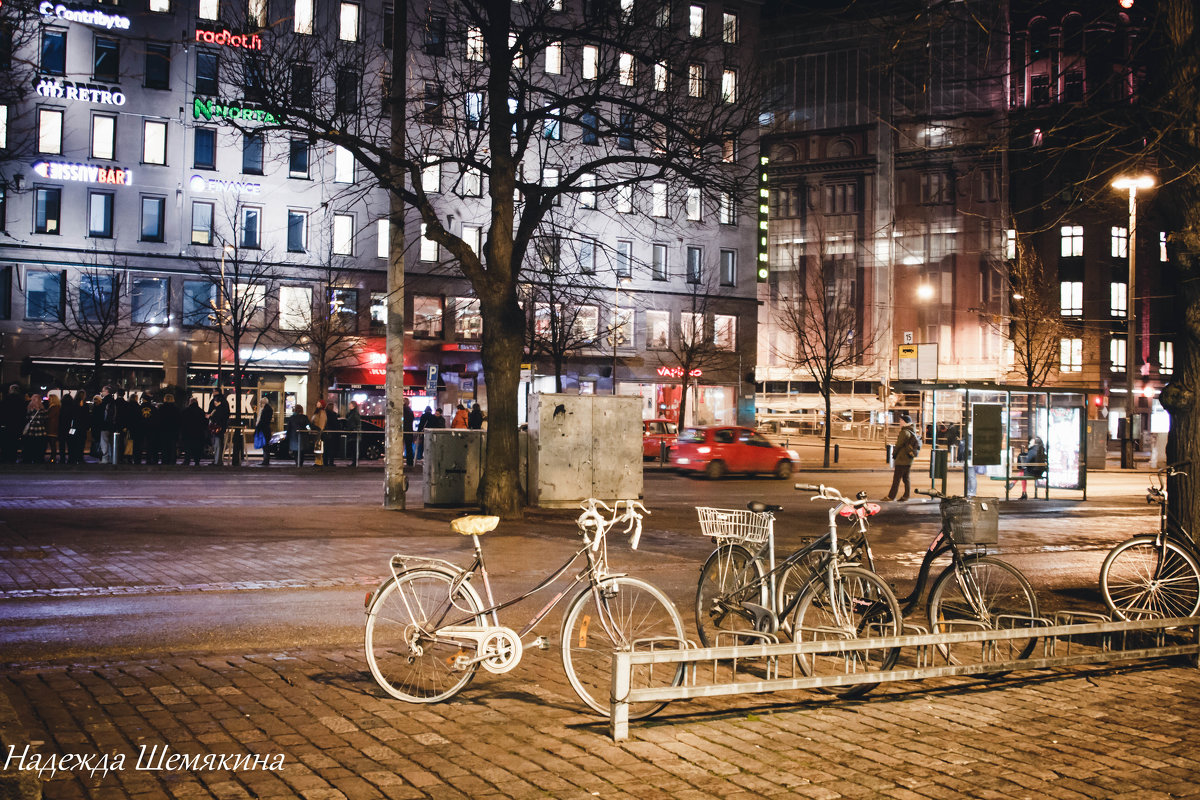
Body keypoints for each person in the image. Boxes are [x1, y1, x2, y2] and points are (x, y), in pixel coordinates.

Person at [883, 412, 920, 502]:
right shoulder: (911, 431)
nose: (900, 422)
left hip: (902, 459)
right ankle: (906, 496)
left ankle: (891, 497)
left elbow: (898, 445)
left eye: (901, 420)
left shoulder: (905, 432)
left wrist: (894, 454)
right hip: (908, 459)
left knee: (896, 479)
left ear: (904, 422)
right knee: (906, 478)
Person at [1011, 435, 1047, 500]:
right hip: (1040, 472)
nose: (1030, 443)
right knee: (1023, 472)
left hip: (1033, 473)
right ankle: (1015, 485)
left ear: (1034, 443)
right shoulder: (1042, 450)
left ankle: (1022, 491)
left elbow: (1026, 463)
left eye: (1031, 442)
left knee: (1022, 472)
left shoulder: (1032, 451)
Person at [181, 396, 208, 466]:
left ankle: (187, 461)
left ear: (190, 403)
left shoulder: (186, 411)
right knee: (197, 448)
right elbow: (205, 422)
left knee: (188, 448)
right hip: (198, 433)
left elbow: (182, 422)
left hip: (188, 433)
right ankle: (197, 461)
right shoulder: (201, 411)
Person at [157, 393, 181, 465]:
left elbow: (158, 419)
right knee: (172, 446)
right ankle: (172, 460)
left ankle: (164, 460)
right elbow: (179, 420)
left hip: (163, 430)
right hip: (173, 430)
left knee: (164, 446)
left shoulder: (161, 408)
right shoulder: (176, 408)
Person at [22, 395, 47, 464]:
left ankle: (28, 459)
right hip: (40, 430)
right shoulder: (42, 409)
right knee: (39, 447)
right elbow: (44, 419)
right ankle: (38, 459)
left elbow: (27, 418)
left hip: (31, 430)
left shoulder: (29, 408)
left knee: (30, 446)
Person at [208, 393, 230, 466]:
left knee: (217, 445)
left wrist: (210, 417)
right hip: (219, 429)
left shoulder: (218, 409)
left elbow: (215, 418)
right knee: (218, 444)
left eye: (215, 401)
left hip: (217, 429)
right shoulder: (222, 408)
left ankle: (217, 461)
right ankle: (217, 460)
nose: (214, 402)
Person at [57, 393, 77, 464]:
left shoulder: (61, 408)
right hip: (71, 428)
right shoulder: (73, 407)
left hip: (62, 428)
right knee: (71, 444)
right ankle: (71, 459)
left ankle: (62, 459)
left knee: (62, 445)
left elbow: (60, 419)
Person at [254, 397, 274, 466]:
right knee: (265, 446)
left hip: (264, 430)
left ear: (263, 403)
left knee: (265, 446)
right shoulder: (267, 409)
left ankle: (266, 460)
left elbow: (263, 420)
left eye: (260, 403)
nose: (259, 404)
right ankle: (265, 460)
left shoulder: (265, 410)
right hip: (265, 429)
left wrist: (258, 428)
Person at [44, 394, 61, 463]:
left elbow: (49, 416)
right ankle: (53, 457)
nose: (49, 400)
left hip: (52, 428)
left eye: (50, 399)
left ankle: (53, 458)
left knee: (52, 444)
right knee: (52, 444)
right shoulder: (56, 407)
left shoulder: (54, 407)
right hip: (53, 428)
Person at [344, 401, 361, 465]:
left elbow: (358, 423)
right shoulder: (351, 413)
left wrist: (355, 429)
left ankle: (354, 462)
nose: (349, 406)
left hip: (354, 434)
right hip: (351, 433)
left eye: (350, 405)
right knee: (352, 448)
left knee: (354, 448)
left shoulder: (355, 413)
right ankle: (353, 462)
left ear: (353, 406)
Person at [402, 398, 415, 468]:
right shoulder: (410, 410)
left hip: (404, 430)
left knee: (402, 446)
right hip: (409, 430)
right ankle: (410, 461)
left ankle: (408, 461)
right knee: (409, 447)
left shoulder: (404, 410)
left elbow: (403, 420)